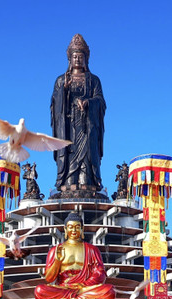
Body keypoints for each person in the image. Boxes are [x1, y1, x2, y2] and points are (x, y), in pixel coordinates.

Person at [51, 33, 105, 192]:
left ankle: (87, 180)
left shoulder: (93, 80)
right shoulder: (61, 79)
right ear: (70, 59)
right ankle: (68, 181)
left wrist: (89, 102)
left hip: (87, 124)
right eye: (75, 57)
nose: (77, 60)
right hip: (68, 125)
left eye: (80, 57)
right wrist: (64, 90)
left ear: (86, 58)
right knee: (69, 150)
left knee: (88, 153)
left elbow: (101, 100)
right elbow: (54, 103)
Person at [34, 213, 116, 299]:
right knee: (40, 290)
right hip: (63, 288)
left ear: (82, 229)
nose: (74, 230)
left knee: (109, 290)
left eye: (77, 227)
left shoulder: (92, 249)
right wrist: (57, 261)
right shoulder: (56, 250)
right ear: (65, 229)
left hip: (84, 289)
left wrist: (83, 284)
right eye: (70, 227)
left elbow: (100, 274)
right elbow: (49, 279)